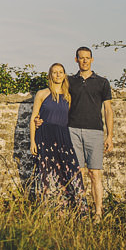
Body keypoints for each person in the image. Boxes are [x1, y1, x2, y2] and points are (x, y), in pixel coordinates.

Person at [29, 63, 87, 210]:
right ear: (50, 75)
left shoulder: (68, 94)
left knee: (70, 170)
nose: (58, 75)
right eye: (55, 72)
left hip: (63, 136)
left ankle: (75, 207)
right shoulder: (42, 94)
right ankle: (51, 209)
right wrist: (32, 142)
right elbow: (33, 118)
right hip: (45, 135)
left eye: (61, 72)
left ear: (64, 75)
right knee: (47, 172)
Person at [67, 46, 114, 220]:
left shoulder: (102, 82)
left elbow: (108, 110)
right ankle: (81, 210)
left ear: (92, 60)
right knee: (76, 173)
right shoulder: (70, 81)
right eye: (81, 58)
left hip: (95, 131)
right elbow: (60, 102)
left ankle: (98, 213)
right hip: (73, 130)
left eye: (87, 58)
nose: (85, 60)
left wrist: (109, 136)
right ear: (76, 60)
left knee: (95, 173)